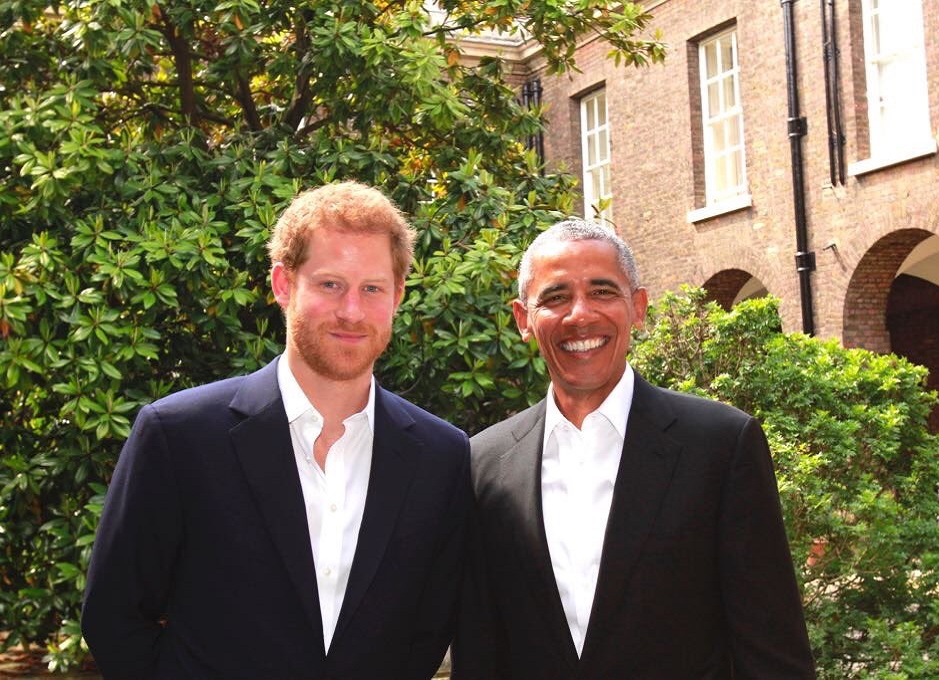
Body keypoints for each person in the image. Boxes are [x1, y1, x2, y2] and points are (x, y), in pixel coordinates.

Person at [82, 181, 471, 679]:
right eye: (330, 284)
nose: (352, 311)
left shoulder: (441, 455)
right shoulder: (179, 436)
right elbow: (115, 615)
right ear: (284, 285)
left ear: (397, 295)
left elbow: (428, 628)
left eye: (371, 288)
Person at [452, 219, 815, 678]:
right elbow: (481, 653)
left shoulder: (720, 446)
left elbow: (773, 654)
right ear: (524, 319)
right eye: (556, 297)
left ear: (638, 307)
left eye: (603, 292)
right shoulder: (484, 464)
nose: (580, 314)